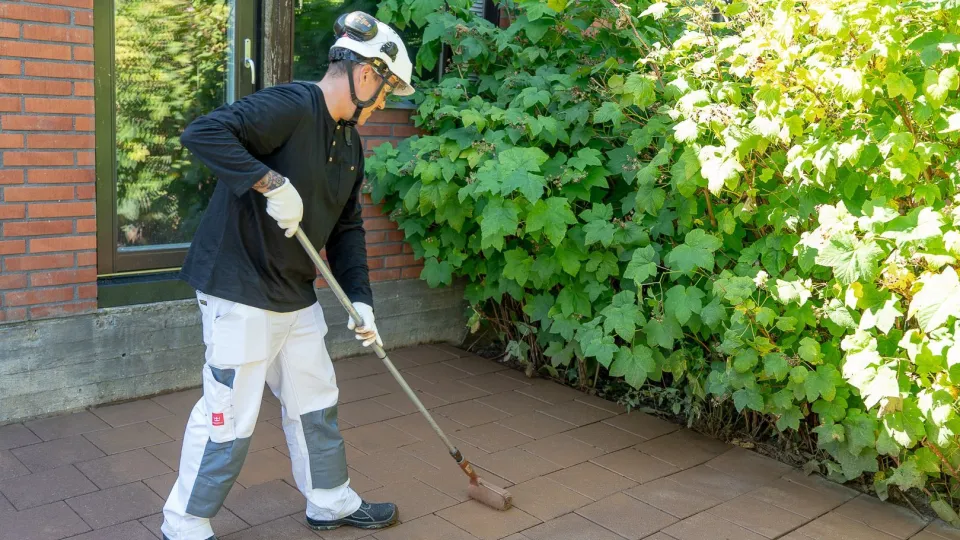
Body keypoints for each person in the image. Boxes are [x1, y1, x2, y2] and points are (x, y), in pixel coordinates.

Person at [159, 11, 415, 540]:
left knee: (315, 399)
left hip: (294, 292)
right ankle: (184, 524)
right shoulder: (294, 104)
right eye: (387, 90)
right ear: (366, 74)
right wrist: (270, 182)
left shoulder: (350, 144)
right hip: (240, 285)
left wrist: (361, 300)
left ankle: (330, 502)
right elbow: (204, 132)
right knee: (229, 415)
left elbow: (346, 228)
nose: (385, 103)